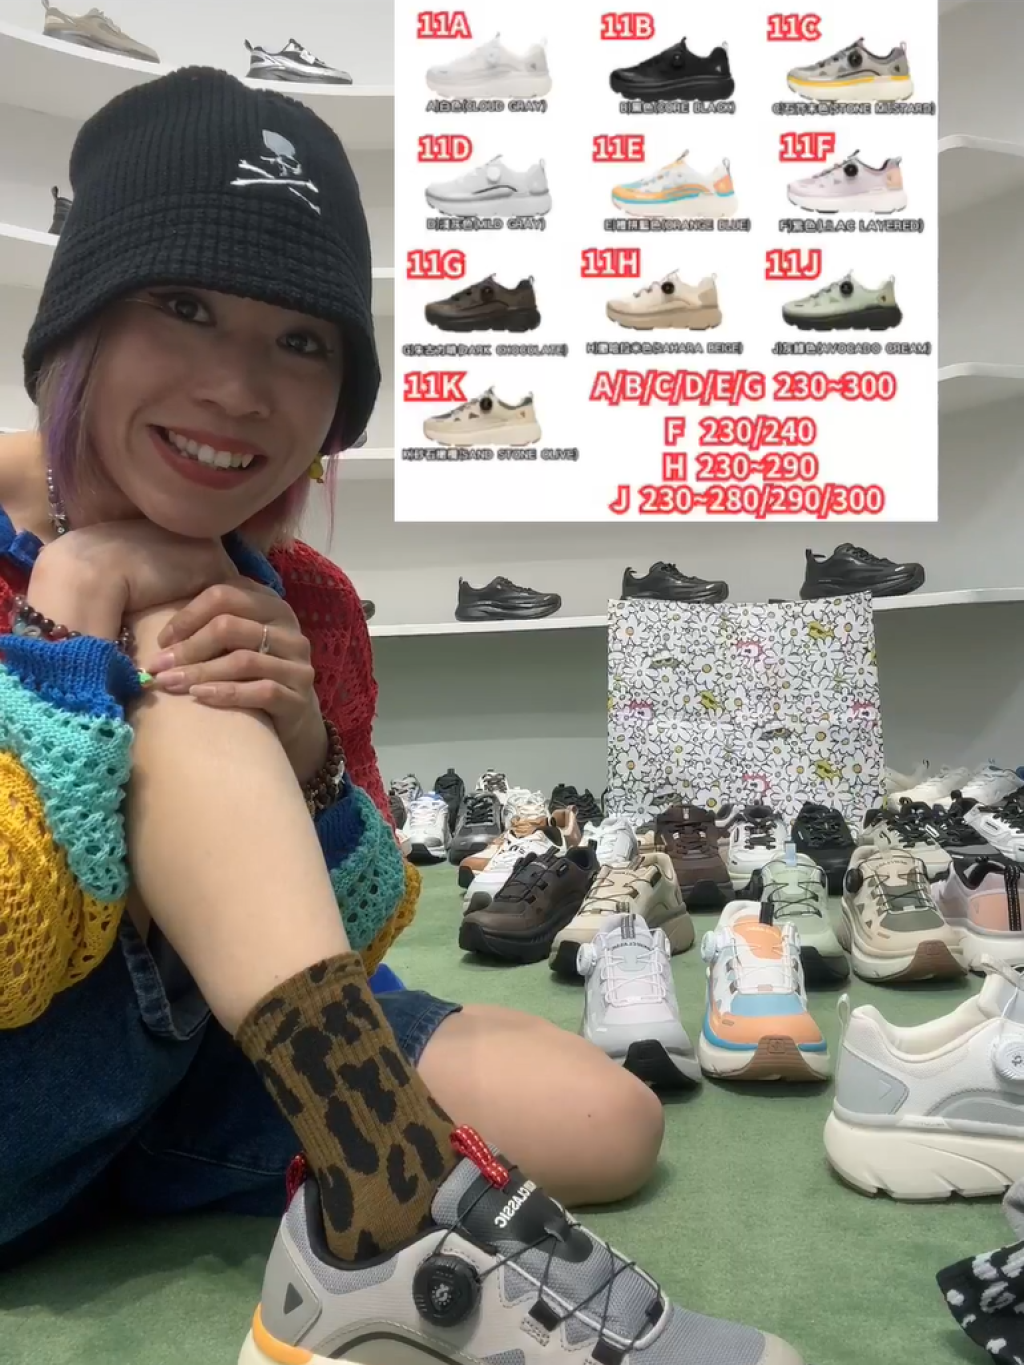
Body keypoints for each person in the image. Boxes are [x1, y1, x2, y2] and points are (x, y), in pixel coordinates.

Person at [0, 66, 803, 1365]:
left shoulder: (306, 596)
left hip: (200, 1074)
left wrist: (311, 757)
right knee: (186, 670)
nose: (239, 390)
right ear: (79, 327)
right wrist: (72, 626)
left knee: (605, 1121)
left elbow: (366, 923)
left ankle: (366, 1170)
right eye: (185, 307)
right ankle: (385, 1209)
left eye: (301, 342)